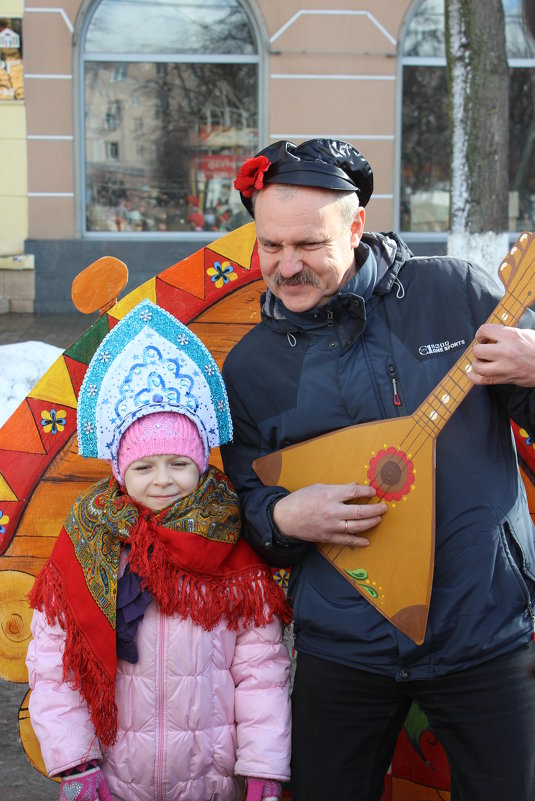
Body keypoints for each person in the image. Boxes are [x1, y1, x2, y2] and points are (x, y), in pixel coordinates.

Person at [221, 138, 535, 801]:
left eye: (306, 244)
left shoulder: (458, 294)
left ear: (356, 225)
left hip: (481, 627)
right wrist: (282, 515)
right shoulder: (251, 367)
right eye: (270, 246)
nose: (286, 265)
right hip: (344, 643)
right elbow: (248, 498)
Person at [25, 299, 292, 801]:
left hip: (212, 780)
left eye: (178, 463)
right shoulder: (90, 544)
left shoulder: (233, 551)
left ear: (200, 463)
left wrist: (263, 768)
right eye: (144, 467)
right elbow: (53, 666)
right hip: (118, 778)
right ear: (120, 471)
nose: (163, 480)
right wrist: (75, 764)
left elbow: (262, 673)